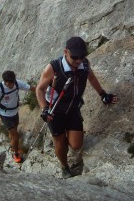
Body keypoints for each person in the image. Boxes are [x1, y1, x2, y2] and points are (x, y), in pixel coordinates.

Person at [36, 36, 118, 178]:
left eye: (82, 56)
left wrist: (103, 94)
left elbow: (91, 77)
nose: (79, 60)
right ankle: (64, 166)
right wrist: (44, 108)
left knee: (76, 145)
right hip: (55, 111)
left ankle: (66, 137)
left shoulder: (84, 65)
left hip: (73, 108)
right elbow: (39, 89)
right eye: (75, 57)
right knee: (61, 144)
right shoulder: (53, 68)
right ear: (65, 52)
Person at [0, 70, 36, 163]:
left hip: (15, 112)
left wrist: (44, 90)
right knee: (15, 136)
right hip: (5, 114)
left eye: (12, 82)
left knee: (13, 132)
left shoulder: (17, 83)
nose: (11, 85)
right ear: (4, 81)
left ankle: (13, 146)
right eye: (9, 83)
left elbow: (32, 88)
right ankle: (15, 154)